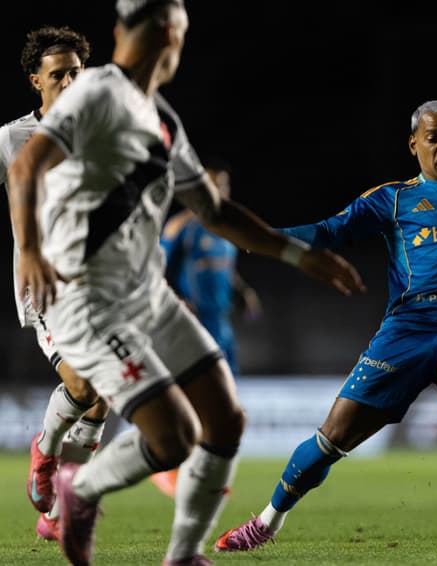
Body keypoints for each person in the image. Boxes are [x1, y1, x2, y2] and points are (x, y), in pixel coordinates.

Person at [6, 2, 365, 565]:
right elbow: (26, 166)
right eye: (165, 30)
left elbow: (214, 209)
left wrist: (297, 255)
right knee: (169, 433)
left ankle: (182, 555)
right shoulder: (94, 91)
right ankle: (78, 490)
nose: (169, 42)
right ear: (153, 35)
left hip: (145, 294)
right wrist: (28, 250)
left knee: (225, 418)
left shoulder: (162, 119)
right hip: (86, 297)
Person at [214, 100, 437, 553]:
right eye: (433, 138)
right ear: (413, 143)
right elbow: (328, 231)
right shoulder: (393, 198)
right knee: (332, 437)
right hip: (407, 332)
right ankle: (266, 522)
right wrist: (265, 239)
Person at [0, 24, 111, 543]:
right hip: (46, 282)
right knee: (83, 385)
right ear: (35, 81)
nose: (69, 81)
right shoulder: (14, 137)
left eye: (76, 72)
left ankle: (64, 506)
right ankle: (45, 451)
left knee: (106, 394)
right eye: (58, 74)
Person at [151, 158, 262, 498]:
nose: (221, 193)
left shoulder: (226, 231)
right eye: (214, 186)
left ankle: (205, 472)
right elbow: (153, 269)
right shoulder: (180, 227)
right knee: (192, 401)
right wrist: (175, 300)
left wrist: (243, 293)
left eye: (225, 186)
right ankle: (170, 469)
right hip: (192, 326)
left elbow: (226, 272)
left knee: (225, 404)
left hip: (221, 326)